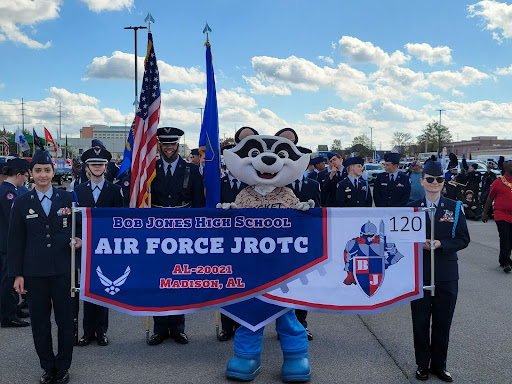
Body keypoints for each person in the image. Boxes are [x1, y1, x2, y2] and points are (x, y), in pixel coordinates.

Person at [8, 150, 82, 384]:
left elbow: (79, 227)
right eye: (38, 170)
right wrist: (17, 274)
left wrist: (80, 240)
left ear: (53, 172)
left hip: (63, 271)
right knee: (40, 322)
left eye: (47, 170)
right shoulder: (21, 203)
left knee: (65, 320)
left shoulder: (68, 199)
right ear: (30, 173)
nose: (43, 175)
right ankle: (48, 367)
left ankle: (63, 366)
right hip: (34, 273)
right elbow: (15, 241)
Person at [407, 160, 470, 382]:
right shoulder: (411, 209)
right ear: (422, 180)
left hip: (446, 274)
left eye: (439, 180)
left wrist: (441, 244)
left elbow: (463, 238)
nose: (435, 183)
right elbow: (400, 238)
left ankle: (439, 365)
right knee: (421, 321)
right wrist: (418, 243)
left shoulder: (454, 207)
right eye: (430, 179)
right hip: (420, 272)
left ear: (444, 182)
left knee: (443, 322)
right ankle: (422, 365)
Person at [147, 127, 205, 346]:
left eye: (172, 144)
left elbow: (198, 203)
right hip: (157, 231)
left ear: (178, 145)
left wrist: (197, 232)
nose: (169, 148)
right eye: (165, 144)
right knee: (159, 279)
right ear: (160, 145)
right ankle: (160, 328)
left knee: (179, 280)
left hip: (184, 231)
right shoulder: (149, 169)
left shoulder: (191, 169)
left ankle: (178, 328)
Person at [74, 147, 123, 347]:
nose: (97, 167)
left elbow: (118, 220)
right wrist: (78, 239)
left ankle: (101, 331)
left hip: (105, 248)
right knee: (87, 289)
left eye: (101, 164)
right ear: (87, 167)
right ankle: (87, 332)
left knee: (103, 289)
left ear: (106, 167)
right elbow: (75, 219)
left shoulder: (114, 190)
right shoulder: (78, 190)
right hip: (84, 246)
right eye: (93, 164)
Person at [0, 158, 31, 328]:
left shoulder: (7, 190)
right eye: (26, 175)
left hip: (5, 242)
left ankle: (13, 309)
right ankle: (8, 315)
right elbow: (13, 220)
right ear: (18, 174)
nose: (26, 179)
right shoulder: (9, 193)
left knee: (9, 278)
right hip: (7, 243)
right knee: (8, 280)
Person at [483, 160, 512, 273]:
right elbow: (490, 198)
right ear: (506, 168)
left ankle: (503, 258)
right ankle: (506, 262)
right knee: (505, 238)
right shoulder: (498, 182)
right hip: (502, 215)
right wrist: (485, 213)